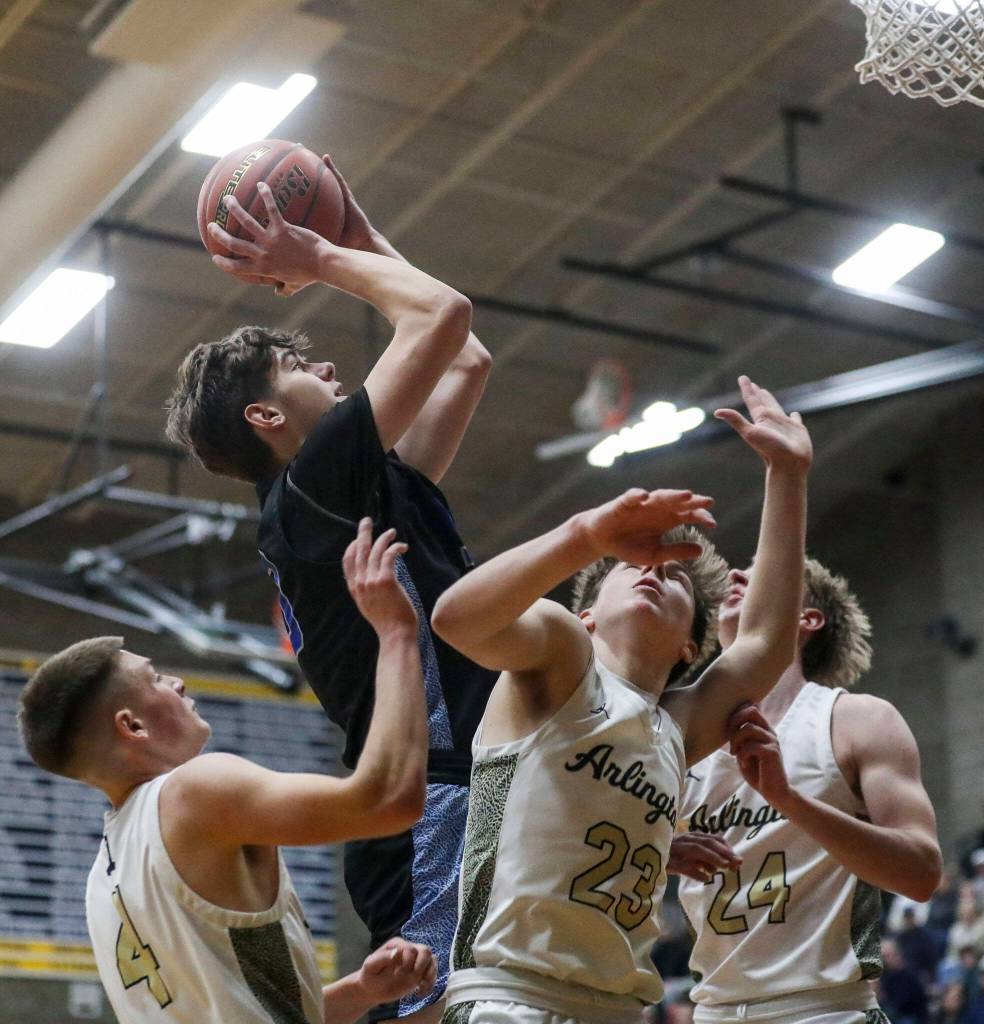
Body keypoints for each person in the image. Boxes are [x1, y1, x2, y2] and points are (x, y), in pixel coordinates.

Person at [165, 159, 497, 1022]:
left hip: (470, 782)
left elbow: (465, 357)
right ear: (268, 420)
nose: (325, 367)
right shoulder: (309, 492)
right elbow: (441, 315)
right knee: (443, 1013)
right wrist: (321, 256)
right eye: (299, 364)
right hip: (434, 800)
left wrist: (350, 236)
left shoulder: (356, 488)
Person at [430, 376, 812, 1024]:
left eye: (674, 576)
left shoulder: (676, 727)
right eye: (629, 565)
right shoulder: (559, 656)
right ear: (587, 618)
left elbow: (768, 643)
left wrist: (789, 474)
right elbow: (454, 620)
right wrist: (586, 535)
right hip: (510, 996)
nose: (653, 569)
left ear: (692, 647)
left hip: (617, 1008)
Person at [17, 523, 436, 1024]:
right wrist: (395, 634)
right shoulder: (193, 792)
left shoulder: (103, 881)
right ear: (132, 726)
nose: (177, 681)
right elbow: (389, 799)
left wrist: (362, 990)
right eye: (154, 678)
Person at [670, 556, 943, 1024]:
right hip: (711, 1011)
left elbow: (921, 874)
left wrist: (789, 800)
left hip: (825, 1008)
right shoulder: (676, 732)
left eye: (760, 572)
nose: (734, 577)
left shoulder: (855, 720)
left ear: (807, 618)